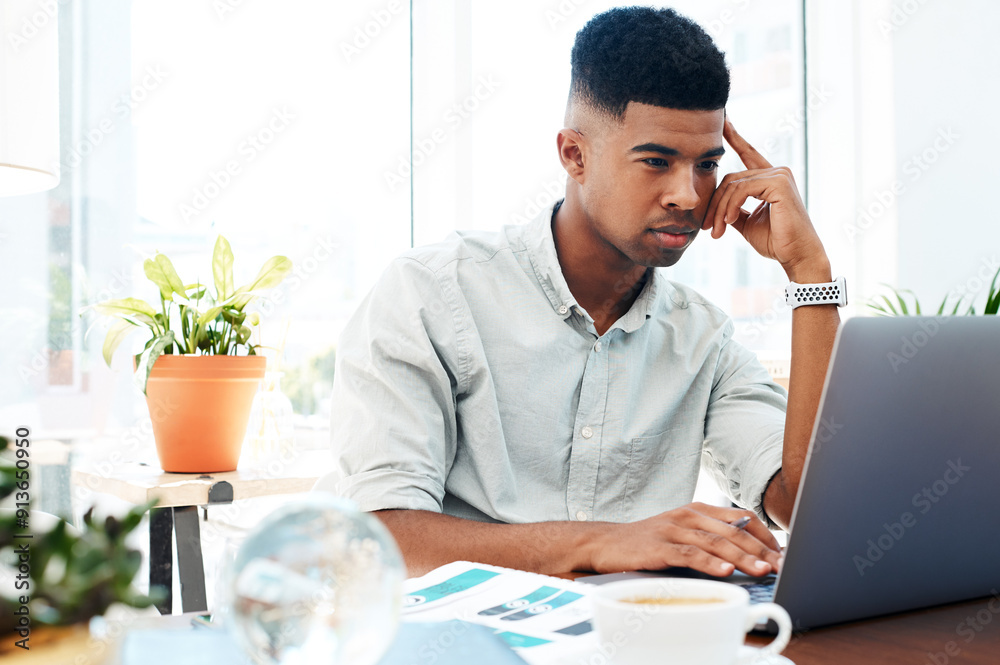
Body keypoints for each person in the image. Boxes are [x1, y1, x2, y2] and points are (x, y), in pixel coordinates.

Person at [315, 6, 840, 578]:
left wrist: (810, 274)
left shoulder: (702, 340)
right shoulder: (432, 295)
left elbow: (811, 507)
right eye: (656, 162)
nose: (688, 196)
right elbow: (384, 538)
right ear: (574, 155)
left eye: (706, 165)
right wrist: (603, 543)